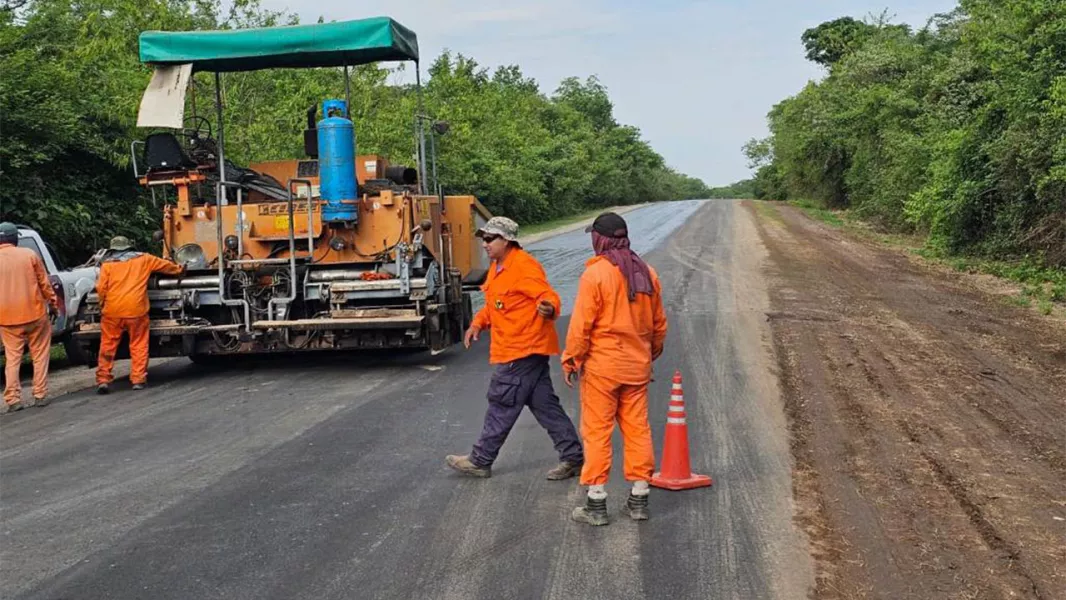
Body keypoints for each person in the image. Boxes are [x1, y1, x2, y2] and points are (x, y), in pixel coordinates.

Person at [445, 216, 584, 480]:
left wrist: (549, 308)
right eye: (483, 239)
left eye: (489, 239)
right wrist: (477, 323)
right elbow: (494, 304)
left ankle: (480, 459)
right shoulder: (499, 267)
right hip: (518, 348)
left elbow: (548, 296)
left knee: (502, 401)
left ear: (506, 240)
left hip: (523, 349)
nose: (484, 244)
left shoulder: (524, 266)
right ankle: (573, 457)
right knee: (545, 406)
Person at [562, 211, 668, 526]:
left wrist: (571, 358)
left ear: (601, 239)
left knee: (597, 432)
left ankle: (596, 503)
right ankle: (639, 498)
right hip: (636, 368)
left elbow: (581, 326)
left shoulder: (596, 275)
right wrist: (648, 353)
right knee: (638, 429)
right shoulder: (647, 272)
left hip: (602, 369)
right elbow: (659, 325)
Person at [94, 235, 184, 394]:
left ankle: (103, 379)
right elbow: (167, 266)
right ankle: (138, 379)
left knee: (107, 346)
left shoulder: (107, 265)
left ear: (112, 250)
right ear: (130, 247)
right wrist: (180, 269)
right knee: (138, 345)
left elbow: (101, 289)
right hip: (136, 311)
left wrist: (102, 304)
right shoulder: (144, 259)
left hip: (112, 312)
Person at [0, 222, 60, 412]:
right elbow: (45, 284)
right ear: (15, 238)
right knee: (40, 355)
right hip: (35, 315)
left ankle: (13, 400)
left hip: (7, 319)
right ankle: (40, 395)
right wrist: (53, 305)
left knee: (12, 358)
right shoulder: (29, 255)